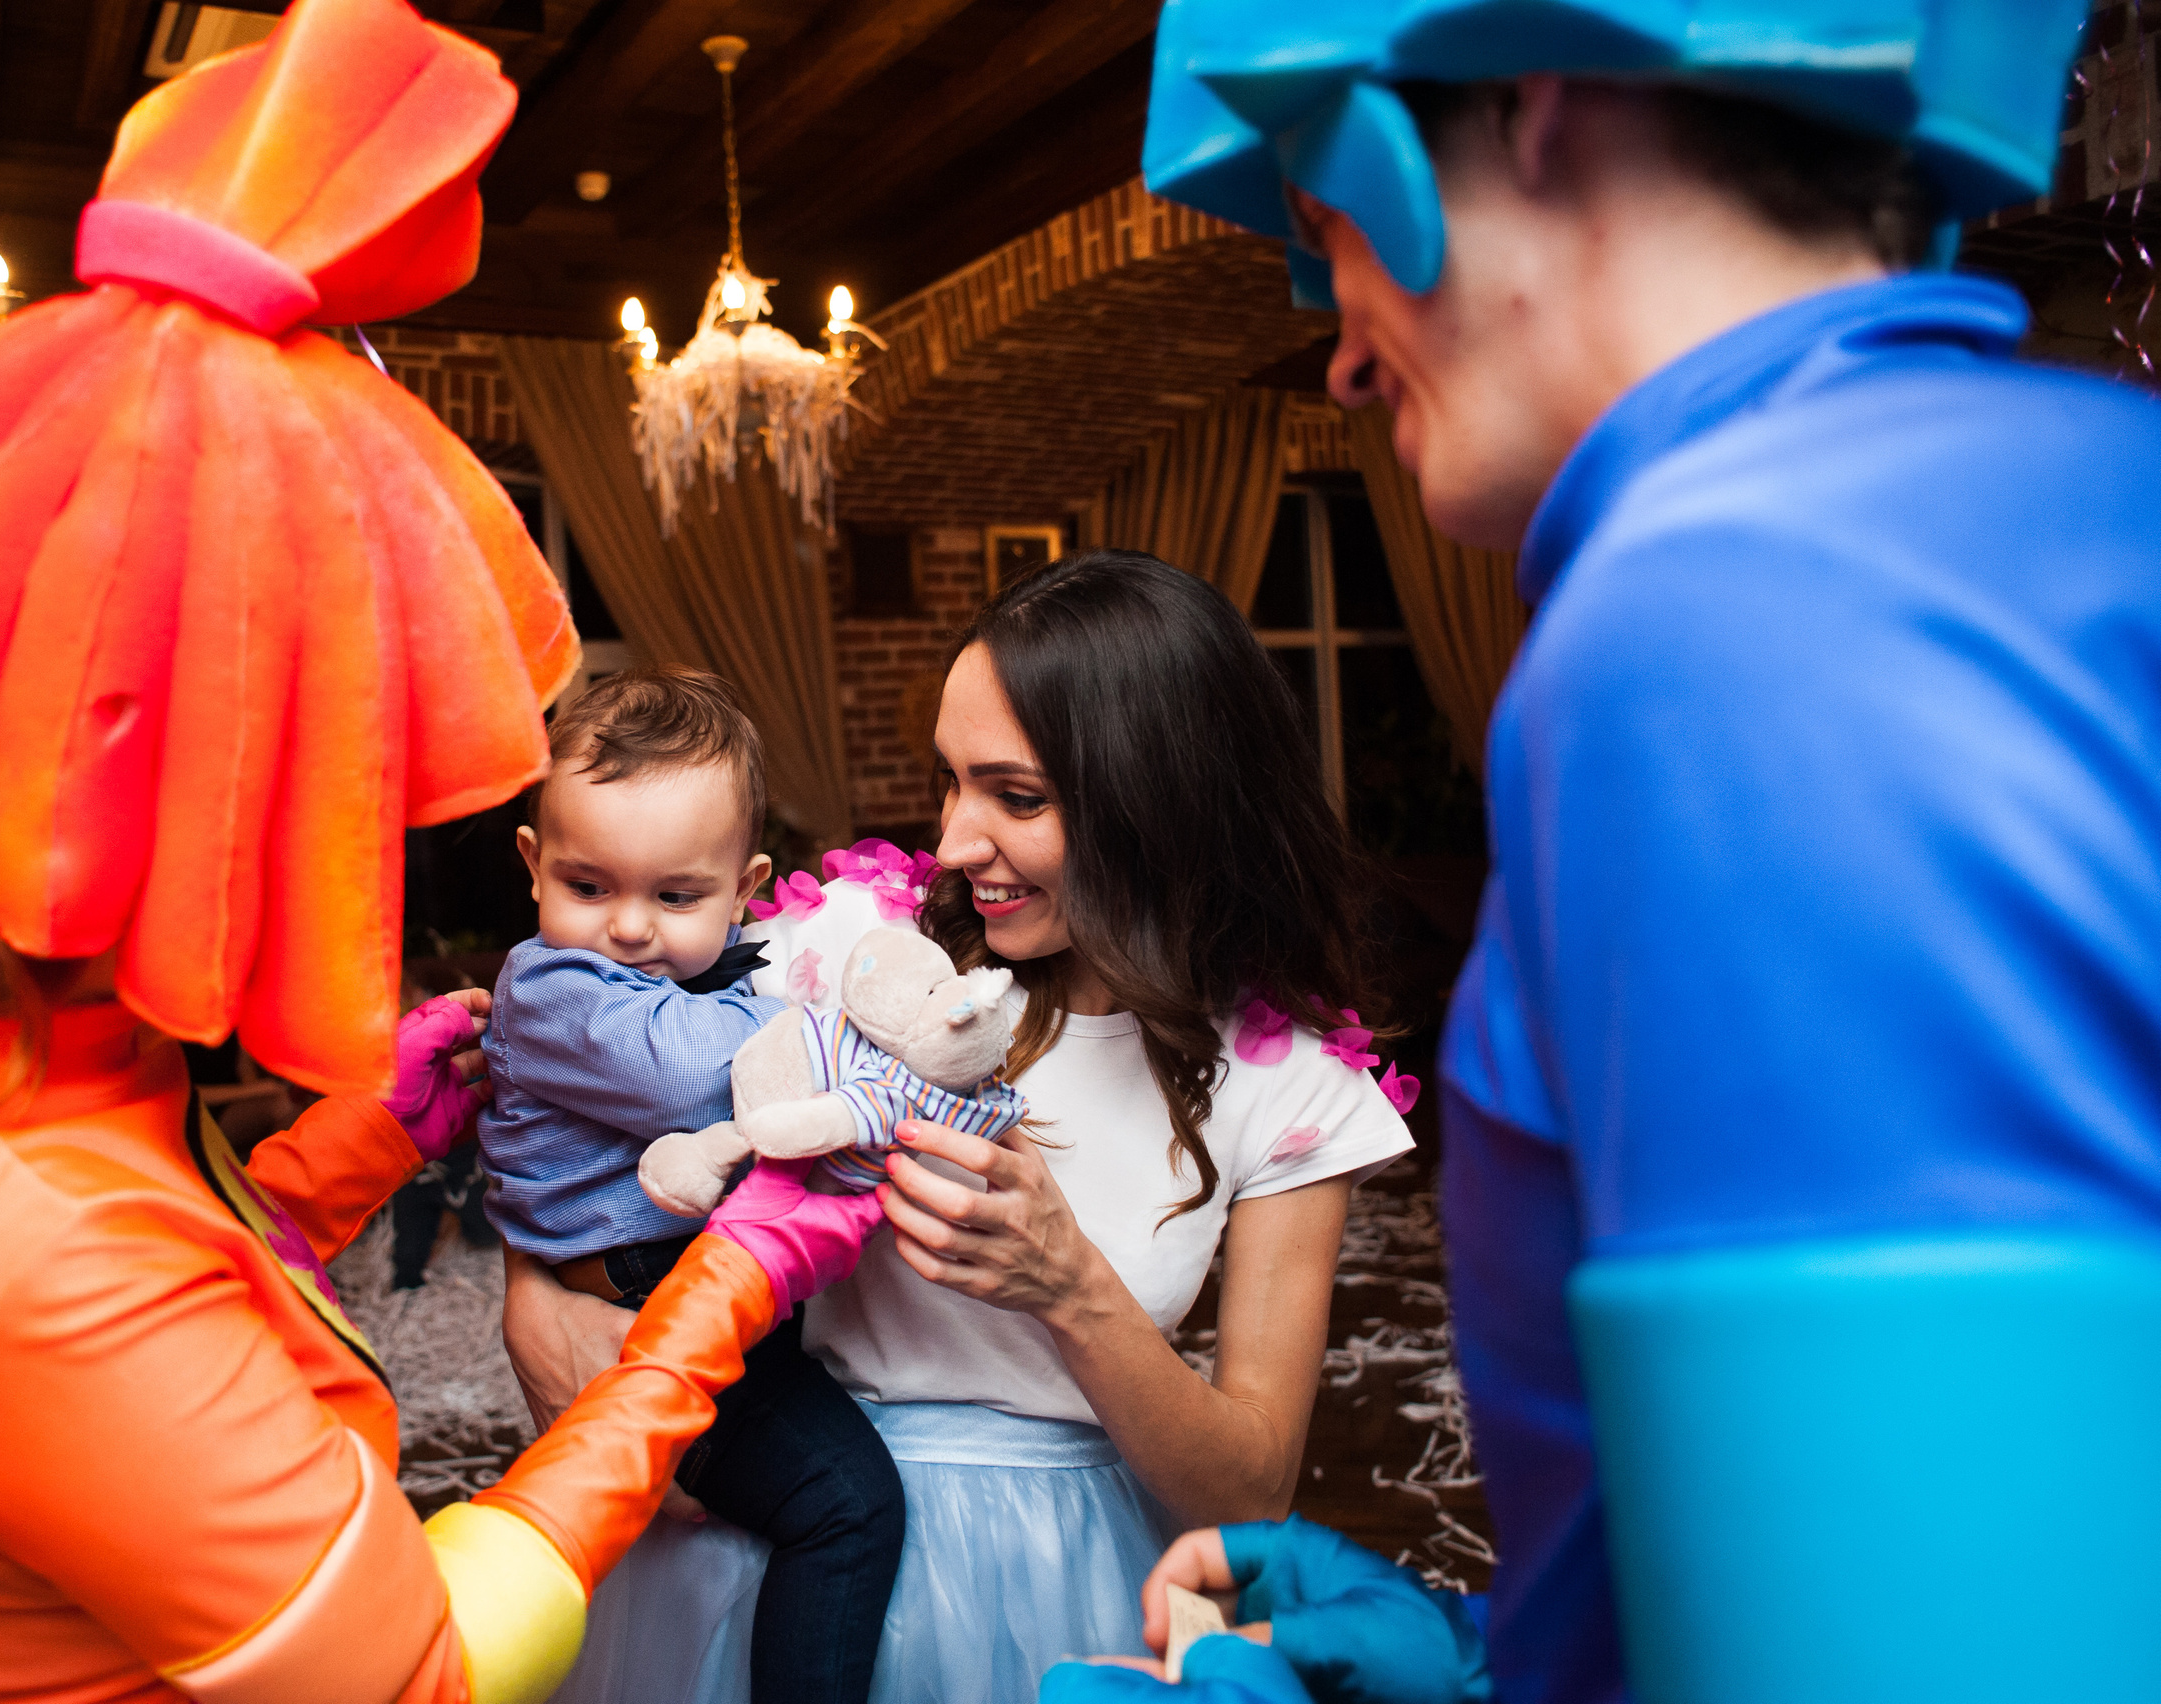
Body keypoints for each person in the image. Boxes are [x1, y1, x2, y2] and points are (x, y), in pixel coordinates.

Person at [0, 1, 878, 1698]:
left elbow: (185, 1247)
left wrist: (367, 1130)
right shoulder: (40, 1267)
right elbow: (426, 1663)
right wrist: (723, 1298)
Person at [1058, 4, 2161, 1701]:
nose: (1342, 352)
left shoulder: (1739, 609)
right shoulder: (2074, 490)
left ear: (1535, 97)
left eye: (1320, 221)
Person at [508, 551, 1418, 1703]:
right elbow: (579, 1096)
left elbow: (1252, 1494)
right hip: (768, 1541)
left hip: (1079, 1597)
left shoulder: (1287, 1083)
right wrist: (531, 1294)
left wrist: (1070, 1289)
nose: (951, 841)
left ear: (1160, 797)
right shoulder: (850, 954)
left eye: (1016, 797)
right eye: (950, 782)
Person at [479, 666, 908, 1704]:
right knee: (846, 1504)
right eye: (589, 886)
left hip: (679, 1283)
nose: (628, 929)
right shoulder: (549, 984)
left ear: (746, 887)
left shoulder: (689, 975)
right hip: (638, 1300)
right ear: (533, 866)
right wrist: (845, 1030)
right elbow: (687, 1072)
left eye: (675, 897)